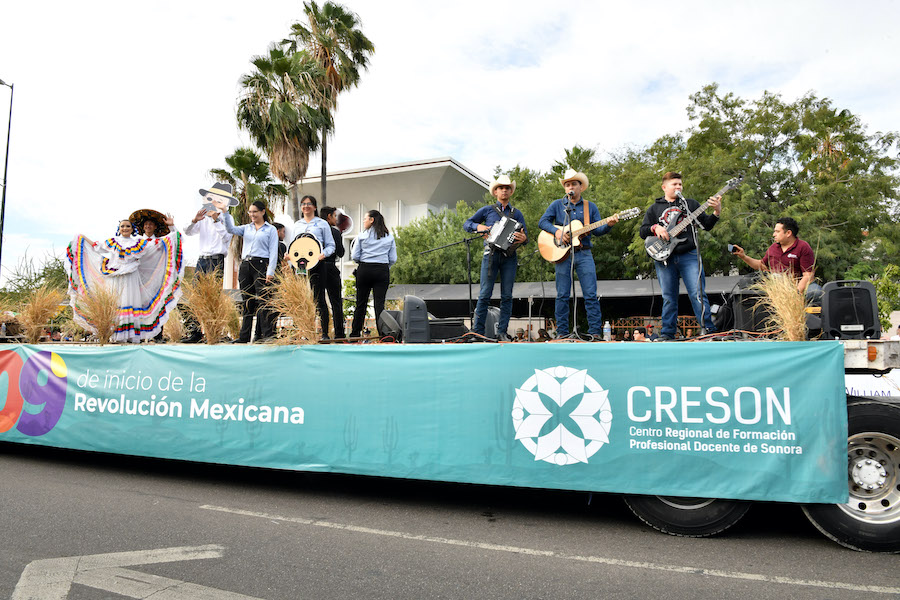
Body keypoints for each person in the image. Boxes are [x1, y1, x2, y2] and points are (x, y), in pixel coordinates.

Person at [66, 217, 184, 343]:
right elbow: (97, 247)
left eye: (128, 226)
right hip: (115, 277)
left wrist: (172, 227)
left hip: (130, 277)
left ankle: (130, 336)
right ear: (119, 228)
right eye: (122, 226)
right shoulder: (113, 241)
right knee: (116, 304)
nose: (125, 228)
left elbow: (166, 241)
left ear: (132, 228)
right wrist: (82, 237)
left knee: (129, 302)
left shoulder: (140, 242)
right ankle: (115, 335)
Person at [639, 171, 721, 341]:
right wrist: (656, 228)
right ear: (664, 187)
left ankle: (709, 330)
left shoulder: (689, 204)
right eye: (674, 184)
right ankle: (667, 333)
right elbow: (642, 231)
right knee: (669, 296)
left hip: (689, 255)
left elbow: (706, 225)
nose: (678, 187)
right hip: (665, 258)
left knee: (697, 293)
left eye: (680, 184)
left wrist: (716, 212)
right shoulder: (654, 208)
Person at [538, 169, 619, 339]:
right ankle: (562, 332)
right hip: (563, 254)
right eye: (567, 185)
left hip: (584, 253)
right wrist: (557, 232)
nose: (570, 187)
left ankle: (595, 332)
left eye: (574, 184)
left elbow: (597, 230)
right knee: (562, 294)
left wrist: (609, 224)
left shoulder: (591, 207)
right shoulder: (557, 205)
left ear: (580, 187)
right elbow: (542, 222)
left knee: (590, 293)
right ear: (565, 189)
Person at [463, 175, 528, 342]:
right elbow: (467, 224)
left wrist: (523, 239)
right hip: (490, 256)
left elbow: (524, 236)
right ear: (495, 191)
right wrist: (480, 227)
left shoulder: (517, 213)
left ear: (510, 191)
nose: (504, 190)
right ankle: (477, 332)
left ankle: (502, 332)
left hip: (509, 257)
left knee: (507, 296)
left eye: (507, 187)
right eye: (501, 187)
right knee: (484, 294)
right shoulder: (487, 210)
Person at [212, 198, 278, 343]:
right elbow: (230, 229)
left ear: (262, 212)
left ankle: (268, 335)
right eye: (250, 212)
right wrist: (225, 211)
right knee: (247, 301)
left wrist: (270, 271)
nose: (252, 215)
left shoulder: (270, 229)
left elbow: (274, 251)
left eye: (255, 212)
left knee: (263, 301)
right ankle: (244, 336)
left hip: (261, 264)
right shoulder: (246, 228)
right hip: (245, 265)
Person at [181, 182, 234, 343]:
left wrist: (216, 221)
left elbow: (227, 238)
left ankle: (213, 332)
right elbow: (187, 231)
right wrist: (195, 220)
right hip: (202, 259)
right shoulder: (203, 216)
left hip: (216, 260)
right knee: (195, 297)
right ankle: (195, 333)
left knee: (213, 297)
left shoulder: (226, 217)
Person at [731, 217, 821, 298]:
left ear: (788, 233)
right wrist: (743, 256)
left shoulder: (803, 247)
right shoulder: (773, 248)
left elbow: (808, 276)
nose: (774, 234)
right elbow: (762, 266)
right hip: (777, 285)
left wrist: (795, 293)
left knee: (815, 292)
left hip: (798, 286)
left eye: (777, 231)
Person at [293, 195, 337, 338]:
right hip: (300, 265)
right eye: (303, 204)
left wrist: (324, 254)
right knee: (303, 298)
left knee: (319, 298)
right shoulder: (297, 225)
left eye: (309, 204)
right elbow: (293, 245)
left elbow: (331, 245)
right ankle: (305, 331)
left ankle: (324, 333)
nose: (306, 206)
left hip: (318, 264)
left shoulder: (322, 223)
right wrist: (289, 257)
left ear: (315, 207)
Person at [350, 210, 397, 338]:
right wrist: (383, 265)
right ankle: (384, 335)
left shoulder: (362, 236)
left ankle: (355, 334)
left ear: (372, 220)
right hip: (382, 270)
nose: (364, 221)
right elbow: (393, 258)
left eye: (365, 218)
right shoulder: (389, 237)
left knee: (360, 303)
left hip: (365, 269)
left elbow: (355, 256)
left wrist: (364, 263)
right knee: (379, 305)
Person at [319, 206, 347, 339]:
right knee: (336, 302)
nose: (336, 219)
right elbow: (341, 253)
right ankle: (339, 334)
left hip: (316, 268)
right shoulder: (335, 232)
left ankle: (324, 333)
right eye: (335, 216)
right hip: (331, 267)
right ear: (329, 216)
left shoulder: (315, 230)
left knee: (319, 301)